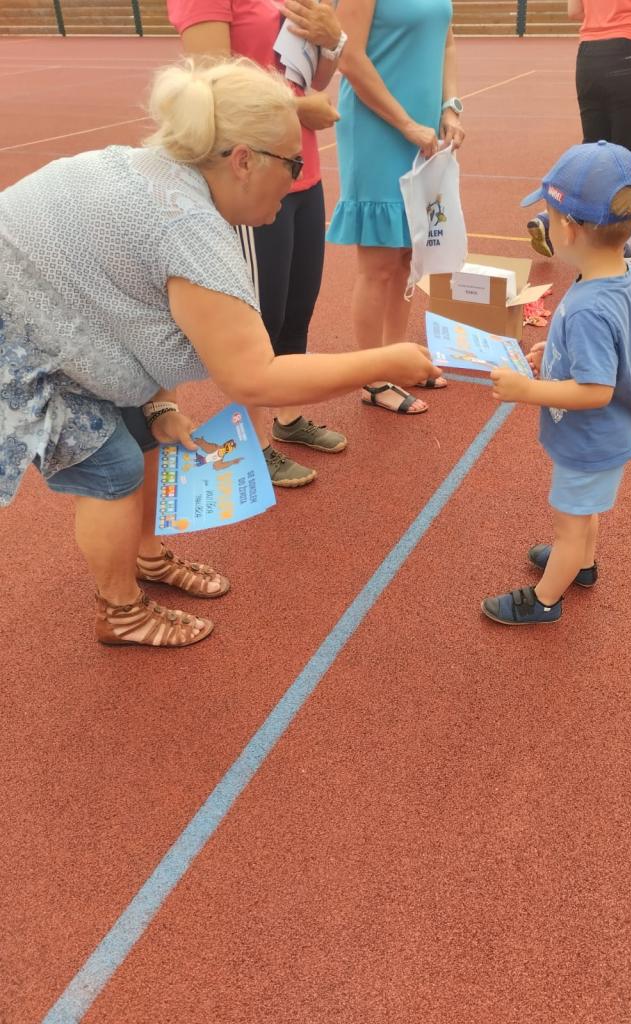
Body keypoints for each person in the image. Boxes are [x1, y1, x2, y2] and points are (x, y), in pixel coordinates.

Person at [0, 58, 437, 648]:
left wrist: (158, 404)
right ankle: (119, 611)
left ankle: (146, 556)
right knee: (112, 470)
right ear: (243, 160)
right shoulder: (189, 227)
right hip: (19, 329)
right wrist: (387, 361)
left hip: (56, 307)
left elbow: (136, 302)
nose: (299, 179)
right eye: (294, 163)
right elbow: (256, 379)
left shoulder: (167, 173)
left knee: (147, 430)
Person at [168, 0, 348, 487]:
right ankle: (252, 441)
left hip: (299, 170)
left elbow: (315, 76)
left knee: (296, 310)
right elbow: (209, 92)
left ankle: (286, 417)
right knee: (256, 321)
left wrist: (332, 38)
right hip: (247, 181)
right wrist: (295, 108)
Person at [482, 141, 631, 625]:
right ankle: (583, 565)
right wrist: (552, 353)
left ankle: (544, 600)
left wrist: (528, 391)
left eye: (549, 218)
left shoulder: (589, 307)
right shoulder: (622, 276)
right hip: (607, 433)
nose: (545, 225)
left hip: (590, 437)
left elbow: (596, 390)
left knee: (569, 523)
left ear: (569, 229)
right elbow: (606, 353)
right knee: (585, 509)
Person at [326, 0, 466, 415]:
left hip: (422, 130)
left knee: (409, 254)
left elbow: (446, 41)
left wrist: (450, 105)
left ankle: (396, 358)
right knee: (380, 263)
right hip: (378, 127)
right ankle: (373, 378)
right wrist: (405, 123)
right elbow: (349, 57)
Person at [527, 0, 631, 264]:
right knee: (623, 157)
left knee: (592, 152)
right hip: (629, 52)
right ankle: (610, 245)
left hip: (589, 57)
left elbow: (574, 12)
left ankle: (552, 218)